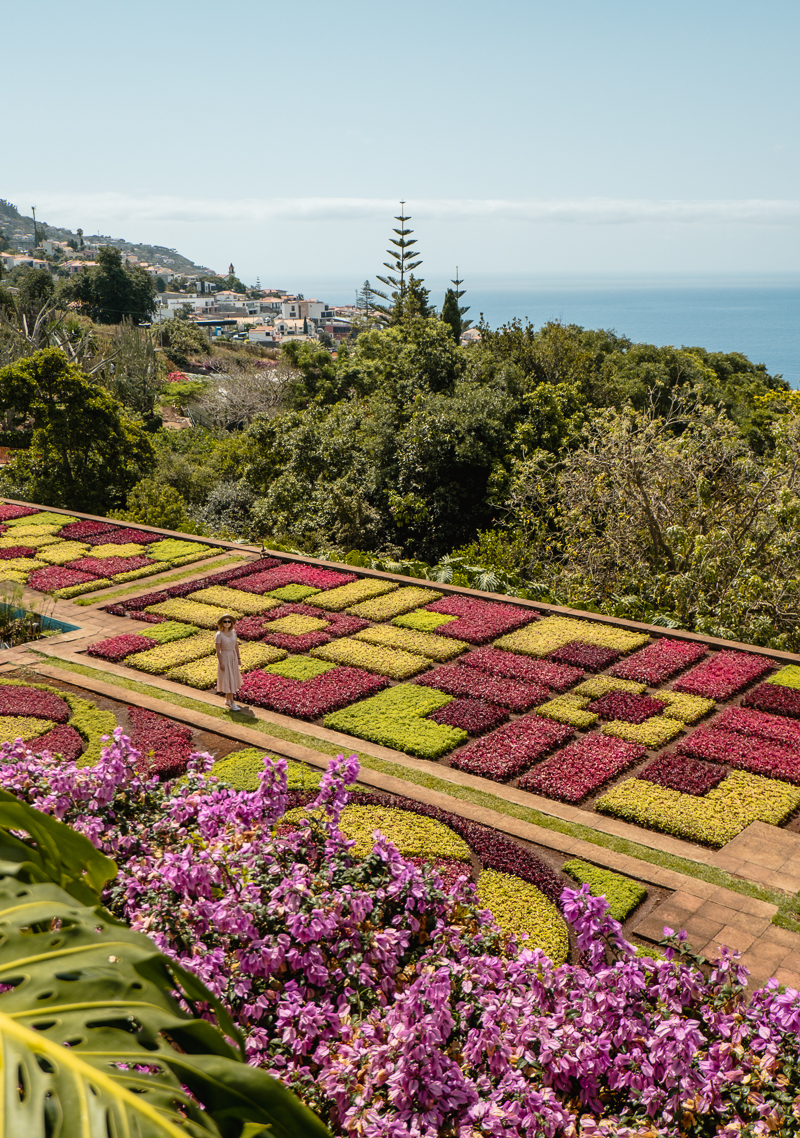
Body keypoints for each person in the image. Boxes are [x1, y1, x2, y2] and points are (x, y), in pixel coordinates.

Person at [215, 614, 242, 711]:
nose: (227, 623)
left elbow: (236, 645)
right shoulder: (219, 634)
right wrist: (221, 662)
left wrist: (238, 658)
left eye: (229, 621)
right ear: (222, 623)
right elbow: (218, 650)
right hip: (225, 657)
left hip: (233, 657)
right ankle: (232, 703)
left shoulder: (233, 632)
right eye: (225, 621)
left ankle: (227, 699)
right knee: (228, 679)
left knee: (232, 678)